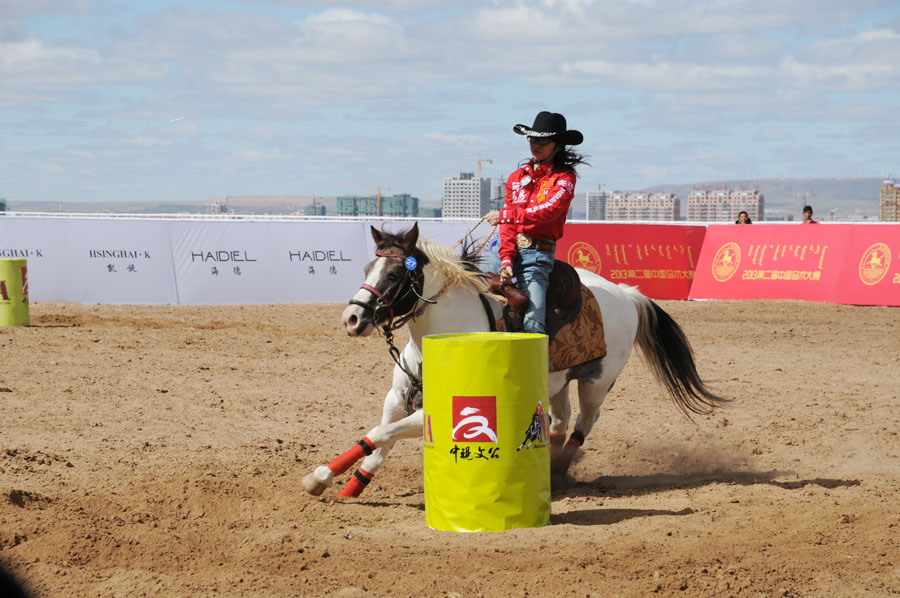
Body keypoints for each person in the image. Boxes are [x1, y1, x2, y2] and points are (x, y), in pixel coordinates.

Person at [496, 111, 588, 334]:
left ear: (557, 145)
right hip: (504, 253)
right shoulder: (515, 178)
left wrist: (507, 215)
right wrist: (506, 257)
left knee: (533, 322)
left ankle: (535, 366)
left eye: (543, 140)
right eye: (532, 139)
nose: (535, 144)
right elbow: (507, 224)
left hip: (536, 257)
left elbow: (548, 211)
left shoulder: (565, 178)